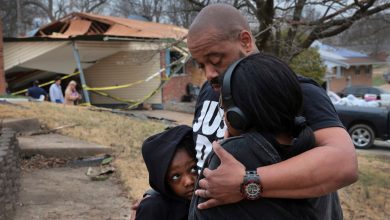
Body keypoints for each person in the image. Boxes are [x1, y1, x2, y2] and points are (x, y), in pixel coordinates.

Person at [187, 3, 358, 217]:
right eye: (201, 65)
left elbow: (343, 163)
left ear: (246, 41)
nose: (209, 74)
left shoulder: (295, 91)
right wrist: (157, 200)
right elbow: (200, 158)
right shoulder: (209, 90)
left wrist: (247, 183)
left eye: (216, 59)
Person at [189, 53, 342, 219]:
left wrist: (233, 146)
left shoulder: (230, 154)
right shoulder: (315, 153)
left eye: (223, 107)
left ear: (237, 115)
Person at [135, 125, 198, 220]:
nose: (189, 181)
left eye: (193, 169)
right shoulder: (153, 209)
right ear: (163, 182)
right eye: (176, 177)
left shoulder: (214, 200)